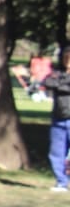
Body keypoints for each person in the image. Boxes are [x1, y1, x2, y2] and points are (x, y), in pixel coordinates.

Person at [41, 49, 70, 191]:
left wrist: (60, 85)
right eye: (67, 59)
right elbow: (47, 81)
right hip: (58, 118)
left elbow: (60, 85)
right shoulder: (59, 74)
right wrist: (62, 84)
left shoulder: (60, 77)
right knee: (56, 152)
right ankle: (61, 182)